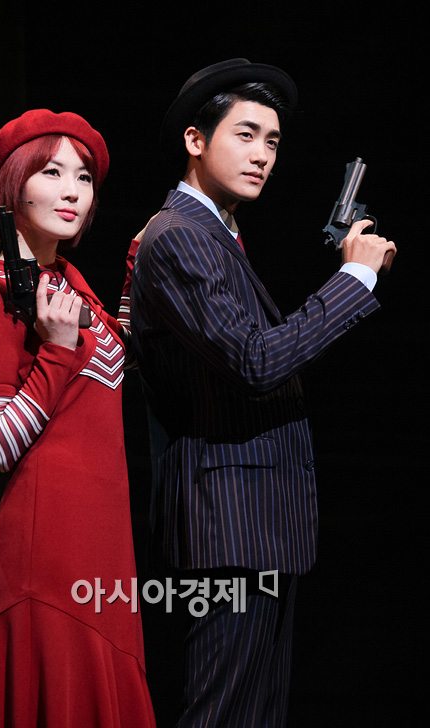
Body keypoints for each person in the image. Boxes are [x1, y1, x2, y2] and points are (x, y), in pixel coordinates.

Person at [121, 58, 397, 726]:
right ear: (195, 140)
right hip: (227, 527)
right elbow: (255, 360)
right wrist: (354, 281)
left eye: (272, 141)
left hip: (255, 525)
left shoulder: (217, 235)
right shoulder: (180, 238)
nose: (262, 155)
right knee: (222, 714)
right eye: (245, 134)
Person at [0, 108, 156, 728]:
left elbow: (116, 357)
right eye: (51, 172)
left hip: (105, 538)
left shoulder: (69, 281)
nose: (72, 190)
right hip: (48, 543)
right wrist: (56, 353)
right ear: (12, 186)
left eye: (84, 177)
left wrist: (139, 263)